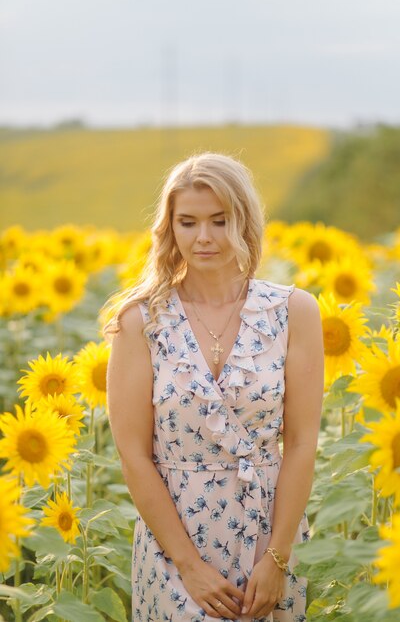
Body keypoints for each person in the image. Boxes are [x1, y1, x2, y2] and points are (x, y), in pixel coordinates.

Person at [104, 152, 324, 622]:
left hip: (271, 539)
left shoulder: (294, 311)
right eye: (188, 222)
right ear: (170, 228)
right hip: (174, 547)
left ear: (244, 222)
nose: (203, 237)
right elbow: (133, 454)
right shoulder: (141, 321)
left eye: (220, 221)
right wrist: (188, 565)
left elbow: (303, 442)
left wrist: (278, 558)